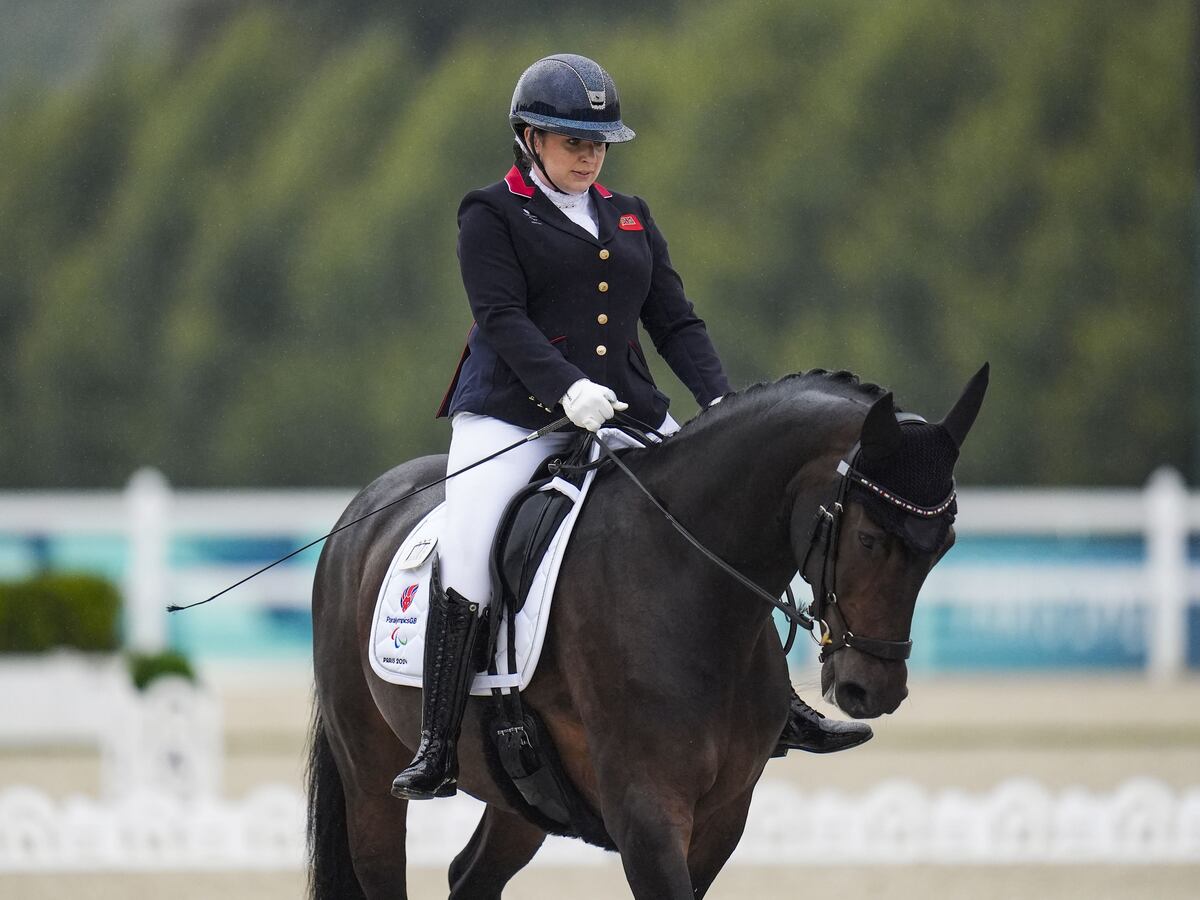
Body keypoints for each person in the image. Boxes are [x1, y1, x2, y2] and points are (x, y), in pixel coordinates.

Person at [391, 54, 870, 802]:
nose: (589, 155)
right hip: (512, 417)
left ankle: (780, 708)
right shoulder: (490, 212)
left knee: (725, 524)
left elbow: (675, 322)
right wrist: (564, 388)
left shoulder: (631, 216)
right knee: (473, 549)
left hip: (623, 410)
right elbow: (501, 318)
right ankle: (437, 742)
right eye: (571, 141)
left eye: (598, 142)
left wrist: (722, 405)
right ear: (528, 138)